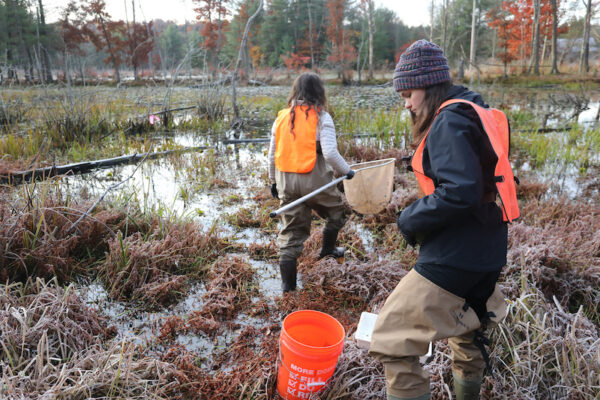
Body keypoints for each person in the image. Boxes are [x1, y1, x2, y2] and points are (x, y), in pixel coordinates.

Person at [368, 40, 516, 400]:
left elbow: (460, 190)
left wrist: (408, 219)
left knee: (391, 338)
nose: (406, 103)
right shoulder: (472, 109)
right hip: (489, 250)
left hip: (457, 255)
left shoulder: (449, 120)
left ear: (429, 86)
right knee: (470, 333)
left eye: (408, 92)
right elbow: (474, 176)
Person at [268, 72, 355, 293]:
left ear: (295, 92)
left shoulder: (281, 118)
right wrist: (347, 172)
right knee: (337, 212)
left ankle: (288, 289)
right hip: (315, 181)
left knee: (290, 233)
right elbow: (330, 154)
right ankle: (327, 250)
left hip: (286, 181)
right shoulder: (322, 117)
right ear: (319, 93)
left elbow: (271, 155)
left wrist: (273, 182)